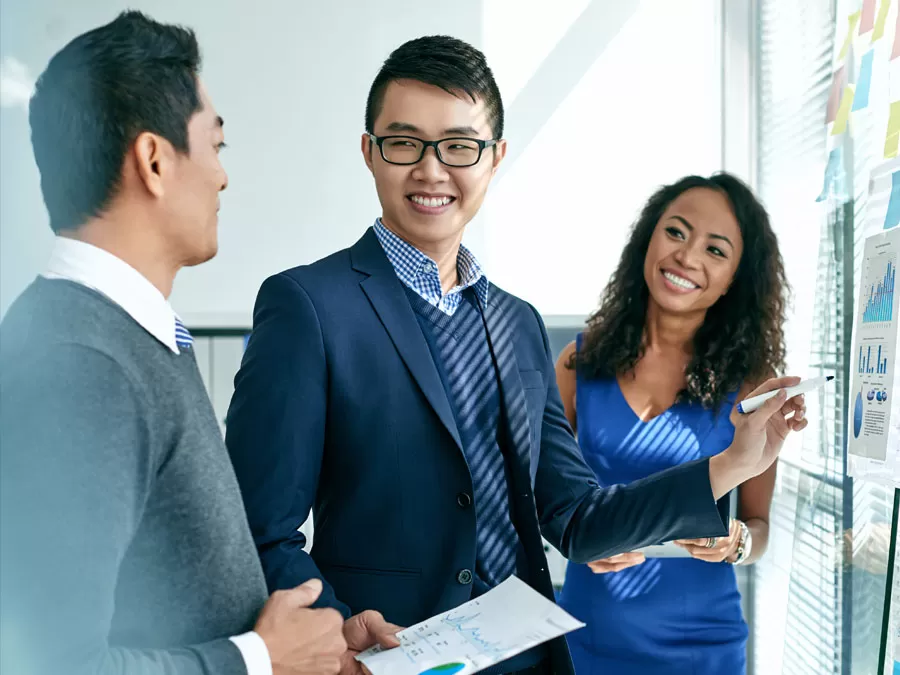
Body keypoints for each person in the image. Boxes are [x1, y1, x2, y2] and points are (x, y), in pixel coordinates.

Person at [224, 36, 805, 675]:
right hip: (378, 660)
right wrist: (335, 642)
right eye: (403, 142)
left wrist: (730, 464)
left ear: (495, 158)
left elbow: (579, 519)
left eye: (459, 146)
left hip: (525, 661)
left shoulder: (517, 322)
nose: (431, 169)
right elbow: (259, 531)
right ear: (369, 152)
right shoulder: (307, 306)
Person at [0, 11, 397, 675]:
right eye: (216, 145)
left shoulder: (133, 336)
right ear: (155, 160)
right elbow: (49, 663)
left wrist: (307, 645)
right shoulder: (81, 363)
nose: (222, 176)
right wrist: (259, 658)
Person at [555, 173, 806, 675]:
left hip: (701, 650)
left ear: (736, 276)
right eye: (676, 232)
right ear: (648, 238)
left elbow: (758, 529)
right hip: (584, 639)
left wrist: (734, 541)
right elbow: (544, 501)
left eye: (715, 250)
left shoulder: (749, 386)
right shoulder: (577, 365)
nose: (687, 257)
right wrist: (575, 538)